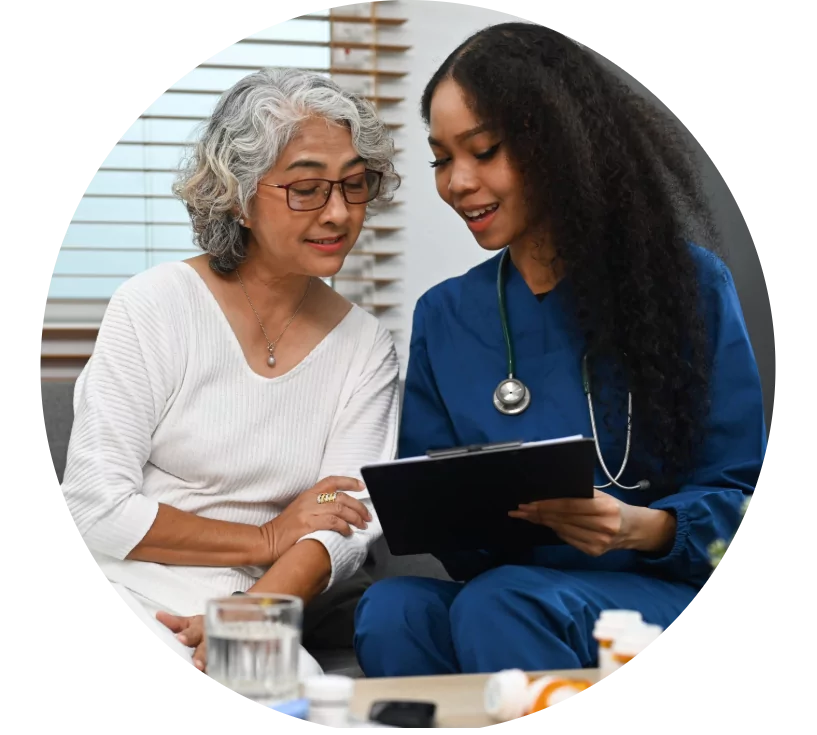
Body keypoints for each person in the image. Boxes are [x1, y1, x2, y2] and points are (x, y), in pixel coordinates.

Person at [349, 23, 769, 677]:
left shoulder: (689, 285)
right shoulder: (446, 314)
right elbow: (438, 518)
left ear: (560, 145)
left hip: (654, 593)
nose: (457, 181)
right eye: (440, 158)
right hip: (508, 594)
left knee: (502, 603)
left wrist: (641, 527)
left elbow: (736, 499)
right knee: (392, 608)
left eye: (483, 150)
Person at [56, 67, 402, 680]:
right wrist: (267, 540)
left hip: (251, 602)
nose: (339, 213)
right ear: (236, 196)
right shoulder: (155, 304)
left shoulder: (366, 347)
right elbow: (93, 507)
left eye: (355, 185)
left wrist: (255, 607)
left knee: (298, 704)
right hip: (126, 578)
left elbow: (346, 526)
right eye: (306, 189)